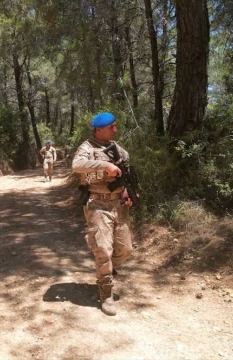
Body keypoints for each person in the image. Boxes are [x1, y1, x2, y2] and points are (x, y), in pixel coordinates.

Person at [71, 112, 135, 316]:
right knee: (104, 250)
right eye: (111, 127)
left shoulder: (119, 150)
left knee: (126, 250)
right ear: (99, 129)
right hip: (97, 205)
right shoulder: (87, 148)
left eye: (116, 126)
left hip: (119, 204)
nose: (115, 130)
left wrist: (128, 191)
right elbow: (77, 166)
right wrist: (104, 166)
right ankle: (105, 293)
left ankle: (104, 264)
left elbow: (127, 173)